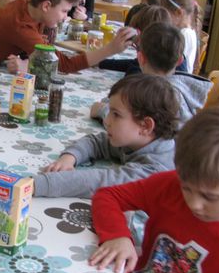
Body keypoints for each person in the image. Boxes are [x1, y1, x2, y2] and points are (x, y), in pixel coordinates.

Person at [89, 105, 219, 273]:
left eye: (210, 197)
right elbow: (108, 196)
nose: (194, 204)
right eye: (187, 188)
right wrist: (118, 235)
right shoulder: (170, 184)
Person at [33, 74, 178, 198]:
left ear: (145, 126)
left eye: (116, 114)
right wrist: (69, 157)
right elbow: (97, 142)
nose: (107, 120)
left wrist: (37, 184)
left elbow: (100, 182)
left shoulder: (156, 172)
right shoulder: (136, 139)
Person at [0, 0, 134, 74]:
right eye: (64, 11)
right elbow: (63, 64)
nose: (65, 18)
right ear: (46, 6)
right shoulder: (21, 26)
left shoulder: (31, 6)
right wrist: (111, 49)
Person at [93, 22, 212, 128]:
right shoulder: (184, 89)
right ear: (180, 61)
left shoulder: (151, 95)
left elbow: (130, 129)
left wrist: (103, 110)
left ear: (140, 58)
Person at [160, 0, 201, 74]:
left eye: (165, 13)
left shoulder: (184, 34)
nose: (163, 17)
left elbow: (174, 65)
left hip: (178, 80)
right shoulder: (186, 31)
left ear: (178, 12)